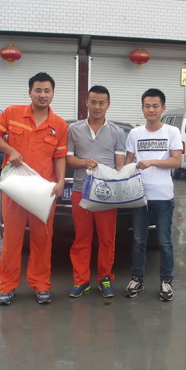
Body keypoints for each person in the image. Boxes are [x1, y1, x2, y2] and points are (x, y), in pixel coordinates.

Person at [0, 72, 67, 306]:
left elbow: (59, 156)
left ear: (53, 94)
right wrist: (11, 150)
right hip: (15, 188)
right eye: (38, 90)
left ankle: (41, 285)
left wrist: (60, 181)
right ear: (30, 92)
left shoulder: (59, 125)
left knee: (42, 239)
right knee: (12, 239)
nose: (42, 95)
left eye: (47, 91)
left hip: (43, 192)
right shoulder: (12, 113)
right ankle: (7, 286)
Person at [66, 85, 126, 298]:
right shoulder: (74, 129)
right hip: (80, 191)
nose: (97, 107)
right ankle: (81, 281)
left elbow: (119, 165)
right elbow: (68, 159)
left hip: (106, 194)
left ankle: (105, 278)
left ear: (108, 105)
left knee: (107, 239)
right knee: (82, 238)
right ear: (86, 103)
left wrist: (119, 187)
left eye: (101, 103)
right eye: (93, 102)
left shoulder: (117, 132)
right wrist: (84, 162)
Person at [123, 88, 182, 301]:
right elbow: (127, 162)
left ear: (163, 108)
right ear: (142, 109)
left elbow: (177, 161)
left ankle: (166, 281)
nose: (151, 110)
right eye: (147, 106)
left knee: (164, 241)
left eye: (155, 106)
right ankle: (137, 279)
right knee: (139, 240)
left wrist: (151, 162)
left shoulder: (172, 132)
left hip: (163, 197)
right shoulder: (135, 133)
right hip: (139, 196)